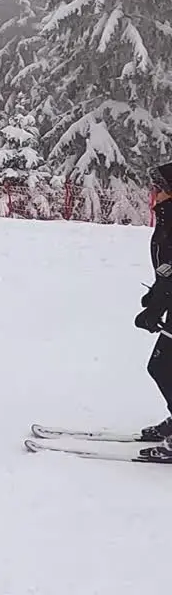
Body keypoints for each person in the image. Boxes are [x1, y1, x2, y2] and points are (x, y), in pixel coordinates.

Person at [133, 163, 172, 458]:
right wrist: (155, 297)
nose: (153, 193)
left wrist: (154, 308)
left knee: (160, 366)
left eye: (158, 187)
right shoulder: (166, 217)